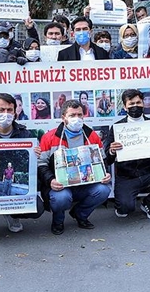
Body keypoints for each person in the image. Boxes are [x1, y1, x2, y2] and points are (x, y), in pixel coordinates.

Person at [0, 93, 45, 242]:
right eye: (1, 110)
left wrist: (35, 155)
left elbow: (31, 167)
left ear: (15, 112)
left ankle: (13, 215)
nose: (5, 114)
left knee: (38, 208)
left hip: (11, 181)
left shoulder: (25, 135)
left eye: (9, 110)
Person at [39, 100, 111, 234]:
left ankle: (80, 214)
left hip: (85, 183)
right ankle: (58, 220)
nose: (77, 119)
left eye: (80, 115)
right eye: (72, 115)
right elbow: (41, 163)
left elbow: (102, 159)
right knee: (61, 198)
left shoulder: (92, 135)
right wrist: (50, 181)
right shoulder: (49, 137)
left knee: (103, 190)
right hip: (61, 186)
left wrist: (105, 173)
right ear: (63, 118)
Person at [104, 90, 150, 220]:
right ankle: (125, 201)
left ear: (143, 104)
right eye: (131, 103)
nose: (135, 106)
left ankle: (148, 203)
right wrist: (112, 150)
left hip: (148, 174)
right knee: (124, 209)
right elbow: (108, 160)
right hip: (126, 177)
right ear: (125, 107)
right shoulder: (117, 127)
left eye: (138, 102)